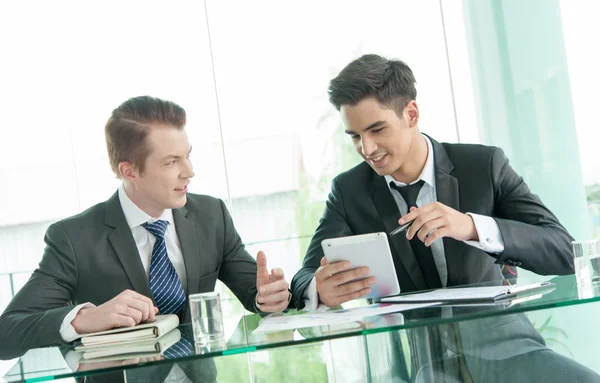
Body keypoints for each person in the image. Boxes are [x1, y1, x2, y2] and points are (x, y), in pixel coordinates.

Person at [0, 96, 291, 358]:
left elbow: (255, 294)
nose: (189, 171)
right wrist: (82, 319)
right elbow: (7, 332)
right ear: (129, 171)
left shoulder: (211, 214)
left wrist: (269, 297)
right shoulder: (74, 239)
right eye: (171, 162)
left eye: (187, 155)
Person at [291, 54, 575, 310]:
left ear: (411, 114)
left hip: (503, 345)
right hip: (413, 361)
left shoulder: (483, 166)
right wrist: (319, 289)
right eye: (354, 136)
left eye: (377, 129)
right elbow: (303, 278)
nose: (366, 148)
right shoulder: (349, 192)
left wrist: (471, 227)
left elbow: (564, 251)